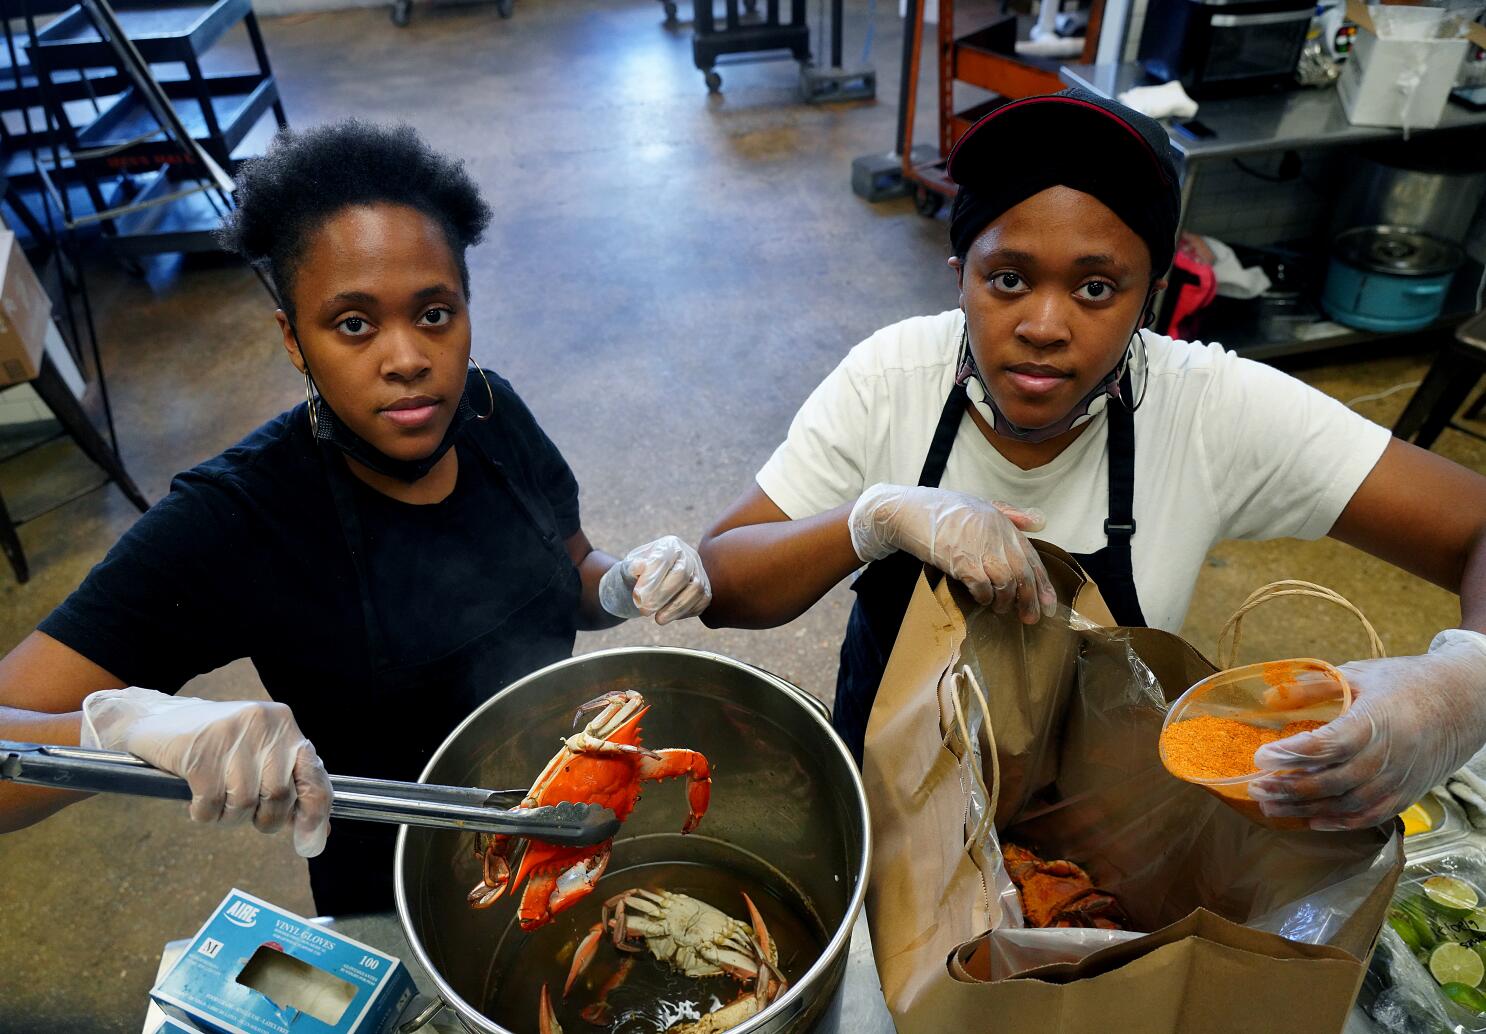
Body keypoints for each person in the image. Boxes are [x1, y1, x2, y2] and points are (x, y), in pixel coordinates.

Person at [698, 88, 1486, 832]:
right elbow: (725, 582)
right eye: (1007, 279)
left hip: (1097, 835)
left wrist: (1462, 684)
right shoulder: (891, 380)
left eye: (1097, 289)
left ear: (1152, 299)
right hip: (883, 806)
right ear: (960, 279)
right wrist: (870, 521)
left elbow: (1474, 525)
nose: (1044, 325)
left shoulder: (1213, 408)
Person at [0, 122, 713, 914]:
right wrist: (115, 729)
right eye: (353, 324)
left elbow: (572, 571)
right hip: (402, 891)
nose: (407, 357)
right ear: (294, 340)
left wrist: (619, 583)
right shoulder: (238, 518)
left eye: (435, 314)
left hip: (575, 819)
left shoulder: (489, 412)